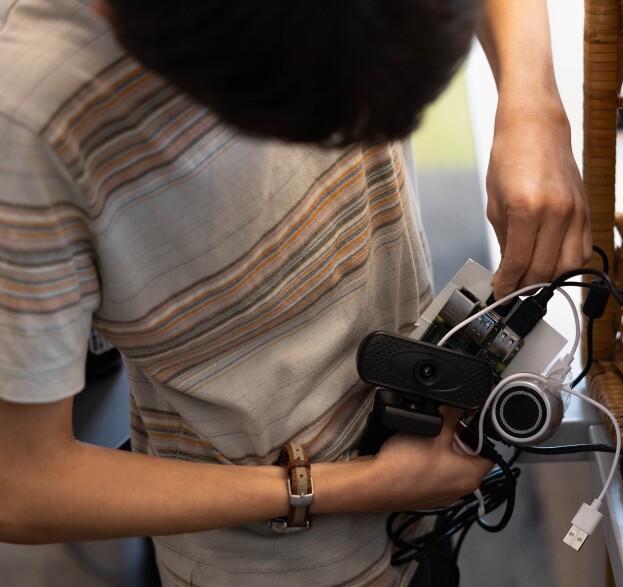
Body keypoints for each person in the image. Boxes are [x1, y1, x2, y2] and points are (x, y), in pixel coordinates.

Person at [0, 0, 591, 585]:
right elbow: (21, 484)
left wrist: (532, 105)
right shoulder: (28, 120)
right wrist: (345, 488)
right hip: (273, 563)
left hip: (420, 509)